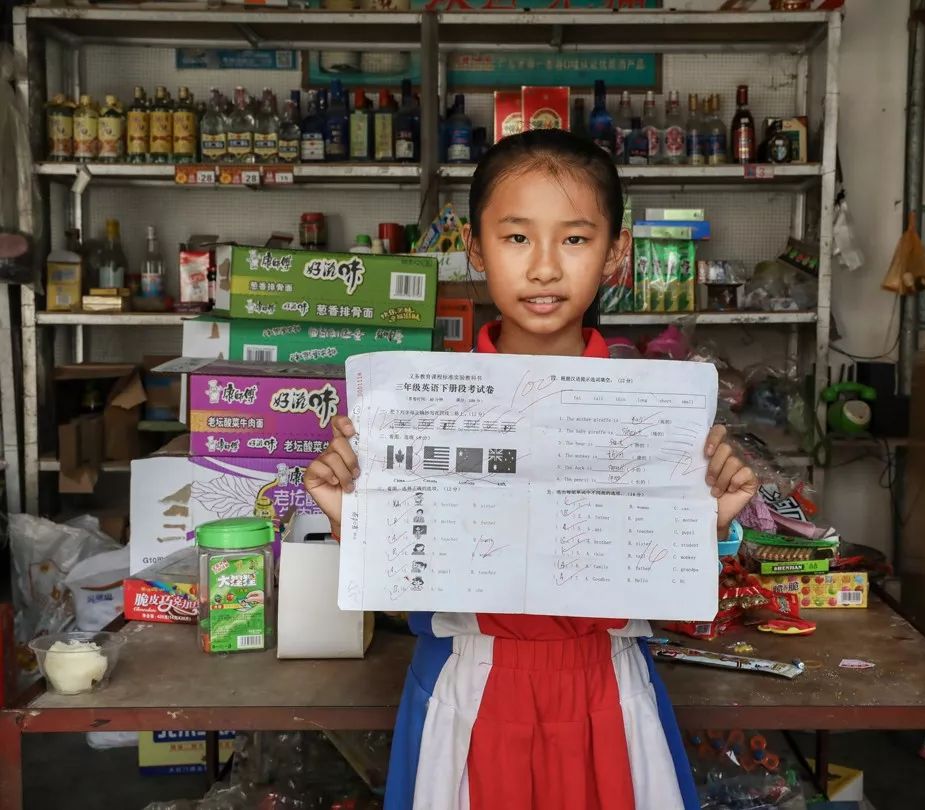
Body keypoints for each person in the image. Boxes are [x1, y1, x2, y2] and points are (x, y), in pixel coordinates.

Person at [303, 129, 758, 810]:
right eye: (517, 237)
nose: (544, 268)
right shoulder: (415, 410)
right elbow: (400, 592)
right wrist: (357, 519)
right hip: (466, 693)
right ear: (474, 247)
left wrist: (706, 524)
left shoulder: (657, 416)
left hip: (610, 695)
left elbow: (668, 593)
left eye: (574, 239)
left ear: (616, 253)